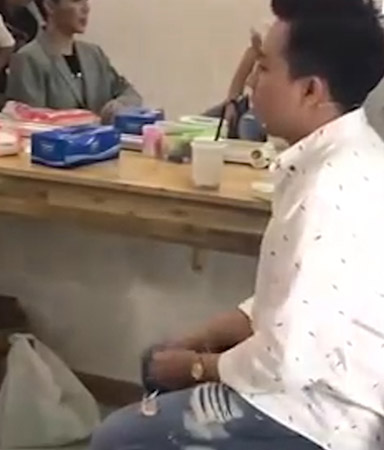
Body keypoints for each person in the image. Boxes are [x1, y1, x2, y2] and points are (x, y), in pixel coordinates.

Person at [91, 0, 384, 449]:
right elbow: (288, 302)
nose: (250, 82)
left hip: (319, 414)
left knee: (116, 439)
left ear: (311, 91)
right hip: (307, 375)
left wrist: (195, 367)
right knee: (157, 360)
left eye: (263, 67)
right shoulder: (341, 151)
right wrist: (204, 337)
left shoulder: (329, 194)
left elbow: (287, 360)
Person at [7, 0, 141, 123]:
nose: (85, 8)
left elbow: (129, 93)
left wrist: (120, 105)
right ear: (50, 6)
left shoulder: (93, 54)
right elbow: (30, 123)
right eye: (76, 1)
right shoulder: (28, 58)